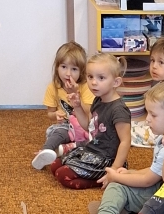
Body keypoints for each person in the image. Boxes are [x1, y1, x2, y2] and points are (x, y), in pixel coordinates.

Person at [66, 81, 164, 214]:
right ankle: (117, 205)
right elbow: (155, 171)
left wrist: (116, 177)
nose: (147, 119)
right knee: (127, 174)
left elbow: (148, 181)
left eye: (153, 115)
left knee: (118, 185)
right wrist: (130, 173)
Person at [33, 51, 131, 188]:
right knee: (55, 165)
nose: (93, 82)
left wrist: (114, 170)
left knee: (62, 175)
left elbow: (126, 141)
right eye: (90, 77)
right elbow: (88, 127)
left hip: (107, 159)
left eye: (101, 78)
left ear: (116, 82)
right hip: (92, 150)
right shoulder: (98, 100)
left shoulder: (118, 110)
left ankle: (103, 180)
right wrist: (77, 106)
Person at [39, 40, 93, 157]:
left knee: (97, 137)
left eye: (74, 69)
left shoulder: (86, 87)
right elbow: (50, 113)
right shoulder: (53, 87)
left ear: (81, 71)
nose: (68, 73)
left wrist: (74, 93)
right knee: (55, 133)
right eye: (64, 67)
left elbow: (89, 112)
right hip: (66, 126)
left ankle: (67, 148)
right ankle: (45, 152)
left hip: (84, 126)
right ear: (57, 68)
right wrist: (55, 115)